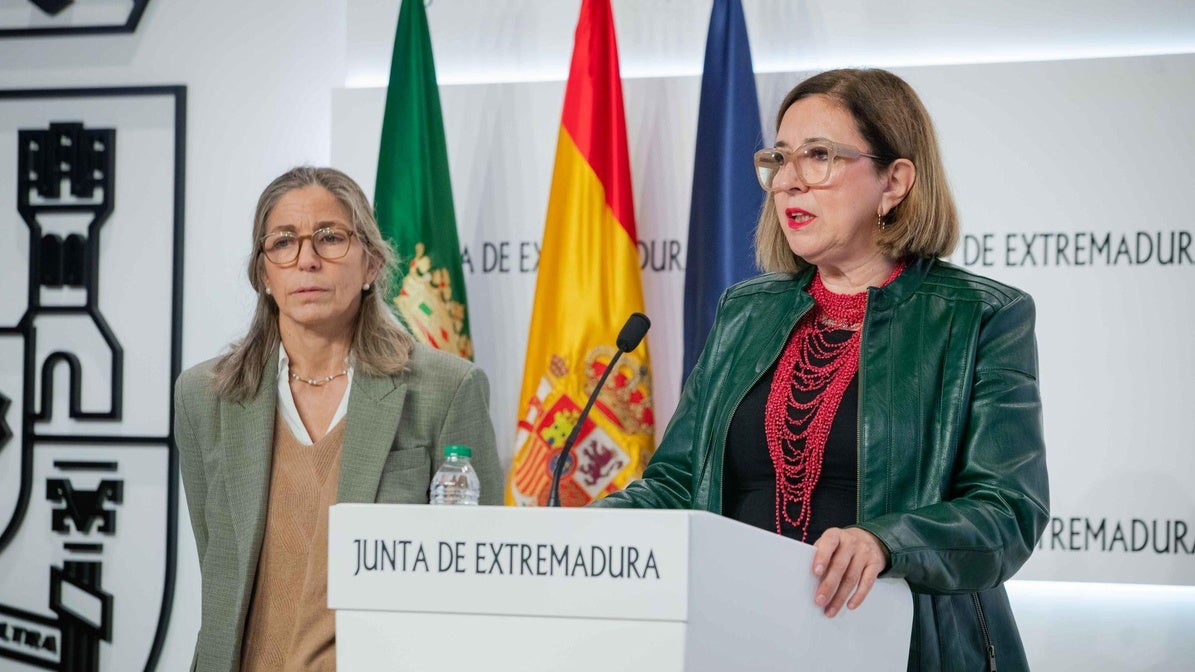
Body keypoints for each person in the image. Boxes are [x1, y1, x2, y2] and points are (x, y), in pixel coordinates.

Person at [594, 69, 1048, 670]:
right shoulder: (745, 312)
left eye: (818, 156)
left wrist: (887, 542)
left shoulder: (980, 318)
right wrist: (584, 536)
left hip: (906, 645)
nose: (787, 181)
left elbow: (1007, 509)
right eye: (779, 159)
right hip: (737, 637)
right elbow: (678, 483)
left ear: (895, 181)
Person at [175, 166, 503, 672]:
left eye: (330, 238)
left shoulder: (446, 389)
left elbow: (477, 576)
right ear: (264, 273)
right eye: (283, 243)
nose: (306, 260)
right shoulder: (204, 397)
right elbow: (217, 561)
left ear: (371, 263)